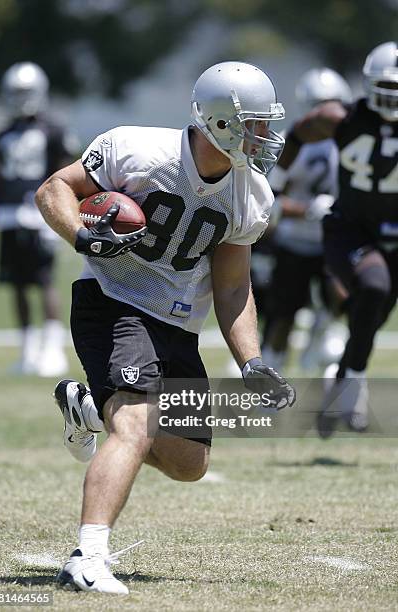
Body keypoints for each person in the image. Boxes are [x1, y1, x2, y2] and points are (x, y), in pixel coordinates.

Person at [35, 61, 296, 595]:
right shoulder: (138, 150)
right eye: (256, 124)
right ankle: (88, 556)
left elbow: (231, 287)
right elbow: (54, 190)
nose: (266, 136)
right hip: (113, 300)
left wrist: (252, 363)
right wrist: (82, 237)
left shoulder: (251, 193)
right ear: (221, 124)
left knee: (188, 463)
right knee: (133, 422)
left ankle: (88, 406)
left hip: (178, 322)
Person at [278, 42, 398, 437]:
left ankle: (341, 380)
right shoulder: (340, 117)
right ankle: (353, 382)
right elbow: (295, 133)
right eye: (387, 85)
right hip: (351, 228)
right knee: (374, 285)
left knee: (371, 317)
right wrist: (275, 183)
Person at [261, 68, 352, 373]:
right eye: (320, 103)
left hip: (333, 240)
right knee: (282, 316)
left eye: (332, 102)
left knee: (341, 299)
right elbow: (268, 200)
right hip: (294, 241)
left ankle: (324, 332)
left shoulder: (353, 139)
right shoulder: (292, 142)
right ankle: (271, 377)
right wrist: (308, 209)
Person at [0, 62, 77, 376]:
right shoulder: (2, 135)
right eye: (16, 92)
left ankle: (52, 349)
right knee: (16, 284)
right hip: (8, 215)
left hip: (40, 215)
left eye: (26, 91)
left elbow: (65, 174)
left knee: (43, 280)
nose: (21, 97)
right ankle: (27, 350)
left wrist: (64, 211)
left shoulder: (53, 130)